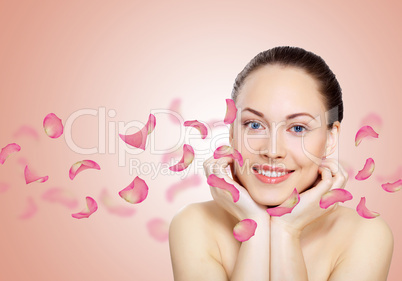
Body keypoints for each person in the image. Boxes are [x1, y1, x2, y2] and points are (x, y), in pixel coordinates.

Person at [168, 46, 393, 281]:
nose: (272, 151)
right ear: (232, 133)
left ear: (330, 138)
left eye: (298, 128)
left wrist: (287, 230)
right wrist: (254, 224)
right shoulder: (195, 224)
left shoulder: (366, 235)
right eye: (254, 125)